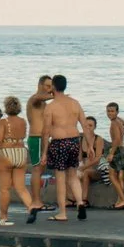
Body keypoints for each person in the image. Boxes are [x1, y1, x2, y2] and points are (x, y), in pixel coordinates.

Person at [33, 72, 88, 221]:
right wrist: (89, 145)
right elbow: (84, 125)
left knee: (60, 178)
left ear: (53, 87)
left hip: (59, 143)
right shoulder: (75, 103)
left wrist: (44, 152)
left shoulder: (51, 107)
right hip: (74, 141)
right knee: (73, 176)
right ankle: (80, 202)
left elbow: (46, 132)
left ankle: (62, 213)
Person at [0, 96, 33, 226]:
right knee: (21, 187)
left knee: (4, 189)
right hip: (21, 153)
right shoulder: (23, 121)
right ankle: (31, 208)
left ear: (6, 108)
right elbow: (23, 136)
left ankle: (3, 217)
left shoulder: (3, 122)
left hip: (7, 153)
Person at [103, 102, 124, 209]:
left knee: (111, 175)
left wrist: (111, 153)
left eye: (112, 111)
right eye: (108, 111)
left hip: (118, 150)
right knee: (120, 176)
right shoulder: (118, 121)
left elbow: (116, 140)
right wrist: (121, 133)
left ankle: (123, 199)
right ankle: (120, 200)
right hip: (123, 149)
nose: (110, 113)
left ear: (117, 112)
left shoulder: (114, 123)